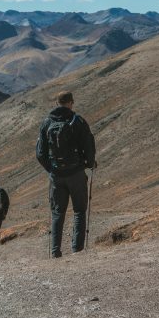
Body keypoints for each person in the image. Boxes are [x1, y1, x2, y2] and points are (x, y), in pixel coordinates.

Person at [36, 91, 96, 257]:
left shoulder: (46, 123)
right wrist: (89, 164)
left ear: (57, 103)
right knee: (79, 211)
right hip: (76, 173)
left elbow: (40, 153)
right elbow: (89, 147)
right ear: (71, 102)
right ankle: (77, 249)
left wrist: (52, 169)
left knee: (57, 213)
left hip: (57, 176)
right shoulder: (78, 121)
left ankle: (55, 251)